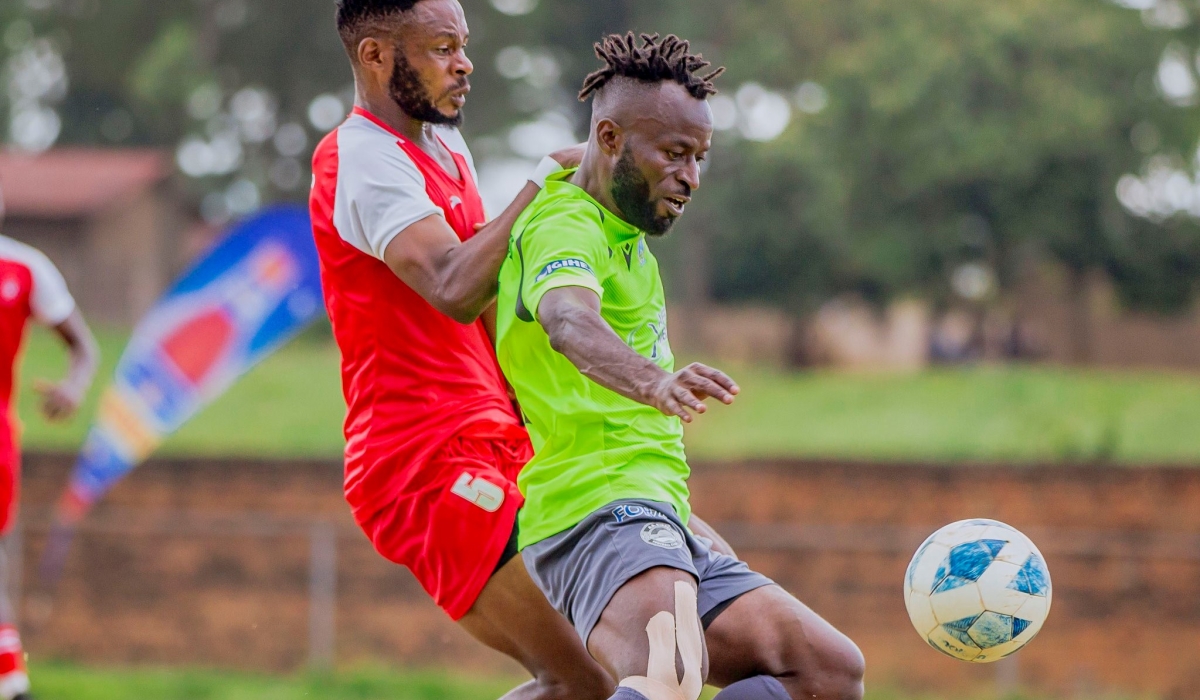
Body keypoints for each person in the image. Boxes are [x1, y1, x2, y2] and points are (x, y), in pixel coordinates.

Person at [312, 3, 732, 698]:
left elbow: (497, 292)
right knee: (590, 677)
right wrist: (539, 183)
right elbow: (452, 286)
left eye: (464, 45)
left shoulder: (443, 149)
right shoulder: (357, 157)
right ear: (377, 57)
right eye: (443, 48)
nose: (464, 63)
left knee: (630, 667)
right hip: (423, 458)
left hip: (500, 442)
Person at [495, 33, 866, 700]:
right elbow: (567, 321)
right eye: (673, 154)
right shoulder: (565, 224)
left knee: (826, 672)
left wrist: (680, 517)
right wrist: (656, 381)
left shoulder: (629, 240)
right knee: (666, 679)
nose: (691, 176)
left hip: (651, 509)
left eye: (699, 158)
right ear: (609, 139)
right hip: (595, 510)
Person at [0, 184, 100, 700]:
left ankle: (14, 686)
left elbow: (84, 346)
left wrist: (74, 386)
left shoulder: (23, 267)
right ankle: (14, 685)